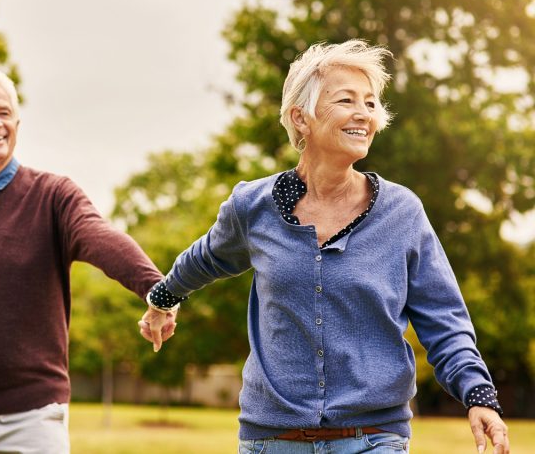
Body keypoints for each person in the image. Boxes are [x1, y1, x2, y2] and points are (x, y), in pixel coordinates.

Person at [139, 40, 509, 453]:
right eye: (346, 100)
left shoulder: (401, 213)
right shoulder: (253, 208)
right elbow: (205, 258)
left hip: (373, 439)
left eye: (370, 103)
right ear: (302, 117)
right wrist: (162, 300)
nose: (363, 114)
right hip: (272, 441)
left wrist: (479, 396)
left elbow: (444, 318)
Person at [0, 67, 176, 454]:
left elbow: (101, 239)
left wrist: (158, 291)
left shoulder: (53, 196)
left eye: (4, 112)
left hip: (33, 416)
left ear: (17, 122)